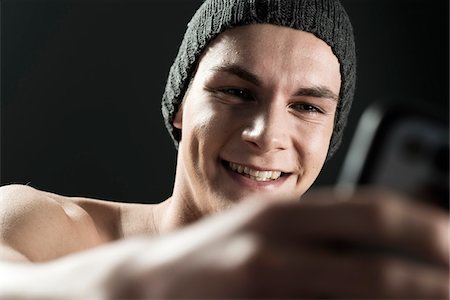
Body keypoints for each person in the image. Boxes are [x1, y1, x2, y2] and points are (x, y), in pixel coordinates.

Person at [0, 0, 448, 298]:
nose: (267, 133)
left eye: (306, 106)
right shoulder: (51, 225)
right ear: (179, 105)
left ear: (331, 136)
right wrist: (150, 281)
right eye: (236, 92)